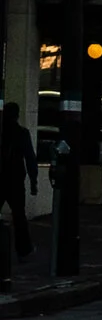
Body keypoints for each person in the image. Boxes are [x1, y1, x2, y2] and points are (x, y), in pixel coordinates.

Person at [2, 101, 38, 287]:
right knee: (19, 216)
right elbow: (30, 158)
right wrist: (33, 181)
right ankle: (23, 250)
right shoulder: (22, 133)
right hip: (15, 179)